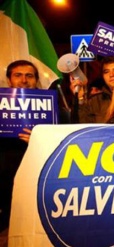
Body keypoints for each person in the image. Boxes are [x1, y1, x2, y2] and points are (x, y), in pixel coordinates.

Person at [0, 60, 39, 231]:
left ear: (36, 80)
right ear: (9, 80)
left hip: (37, 172)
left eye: (29, 76)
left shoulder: (52, 104)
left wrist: (39, 138)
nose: (24, 80)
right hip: (5, 175)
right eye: (18, 75)